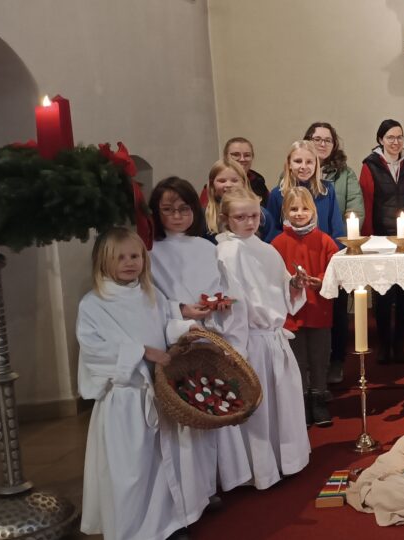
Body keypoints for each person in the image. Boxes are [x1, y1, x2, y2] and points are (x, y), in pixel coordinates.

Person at [76, 227, 198, 539]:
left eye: (135, 256)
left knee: (161, 461)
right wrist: (141, 352)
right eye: (120, 258)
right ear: (103, 262)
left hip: (158, 392)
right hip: (125, 399)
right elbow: (93, 350)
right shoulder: (93, 304)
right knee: (131, 469)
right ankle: (132, 530)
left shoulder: (149, 294)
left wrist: (186, 329)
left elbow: (165, 325)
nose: (129, 263)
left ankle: (166, 524)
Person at [148, 177, 254, 510]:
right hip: (177, 339)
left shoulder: (207, 249)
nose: (177, 216)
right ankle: (195, 488)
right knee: (187, 412)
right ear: (156, 213)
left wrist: (222, 304)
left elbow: (227, 288)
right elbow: (151, 299)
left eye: (184, 208)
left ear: (195, 209)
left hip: (210, 334)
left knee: (214, 402)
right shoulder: (151, 252)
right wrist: (181, 310)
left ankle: (219, 478)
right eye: (168, 210)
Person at [215, 188, 310, 489]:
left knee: (280, 405)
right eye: (240, 217)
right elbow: (233, 304)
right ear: (226, 218)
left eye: (254, 216)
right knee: (258, 409)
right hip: (250, 341)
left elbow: (281, 288)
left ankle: (286, 460)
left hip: (273, 338)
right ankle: (260, 469)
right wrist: (236, 348)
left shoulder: (267, 250)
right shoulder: (225, 253)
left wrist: (294, 284)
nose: (249, 222)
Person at [358, 119, 404, 366]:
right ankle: (384, 345)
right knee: (382, 293)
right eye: (390, 137)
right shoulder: (370, 165)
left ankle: (399, 345)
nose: (395, 142)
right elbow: (367, 202)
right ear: (380, 139)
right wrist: (367, 238)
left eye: (400, 137)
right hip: (382, 236)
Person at [272, 187, 339, 427]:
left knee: (319, 357)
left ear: (313, 211)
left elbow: (334, 270)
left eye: (304, 208)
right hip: (292, 313)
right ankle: (300, 400)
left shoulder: (325, 240)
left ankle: (319, 397)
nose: (299, 213)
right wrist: (291, 282)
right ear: (284, 211)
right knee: (297, 359)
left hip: (318, 308)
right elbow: (273, 277)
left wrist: (320, 280)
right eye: (293, 209)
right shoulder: (277, 243)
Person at [304, 122, 362, 386]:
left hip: (333, 248)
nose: (322, 144)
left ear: (334, 144)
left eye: (327, 140)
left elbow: (354, 210)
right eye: (317, 139)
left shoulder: (345, 174)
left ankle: (336, 360)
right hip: (302, 251)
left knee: (337, 310)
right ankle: (308, 366)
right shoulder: (293, 173)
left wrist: (336, 246)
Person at [264, 141, 345, 242]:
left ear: (316, 164)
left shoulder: (326, 190)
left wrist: (331, 250)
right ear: (289, 164)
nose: (303, 166)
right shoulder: (277, 194)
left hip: (324, 249)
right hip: (289, 250)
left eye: (309, 162)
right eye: (298, 161)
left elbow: (337, 230)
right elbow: (272, 232)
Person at [202, 158, 270, 242]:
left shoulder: (261, 214)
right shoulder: (203, 216)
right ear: (212, 184)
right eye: (222, 181)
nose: (228, 185)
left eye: (234, 180)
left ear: (244, 183)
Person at [205, 137, 270, 207]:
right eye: (235, 155)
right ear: (225, 156)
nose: (242, 159)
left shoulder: (259, 183)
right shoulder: (212, 188)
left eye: (247, 155)